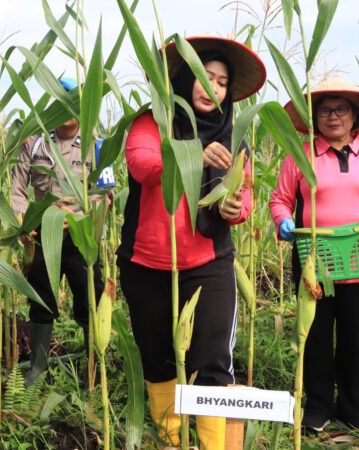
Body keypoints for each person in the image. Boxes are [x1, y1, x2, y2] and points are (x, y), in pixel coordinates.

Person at [116, 36, 265, 449]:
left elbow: (245, 196)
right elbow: (143, 165)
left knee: (212, 359)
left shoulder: (234, 137)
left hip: (209, 263)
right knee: (158, 356)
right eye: (204, 76)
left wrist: (235, 208)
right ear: (184, 79)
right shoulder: (152, 124)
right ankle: (170, 438)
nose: (212, 87)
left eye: (221, 82)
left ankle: (213, 444)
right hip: (146, 264)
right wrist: (193, 153)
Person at [270, 77, 359, 433]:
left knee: (354, 337)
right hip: (314, 261)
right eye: (325, 110)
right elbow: (280, 199)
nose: (332, 116)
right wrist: (283, 221)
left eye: (340, 109)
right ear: (315, 118)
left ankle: (352, 406)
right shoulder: (300, 155)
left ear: (354, 115)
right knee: (315, 334)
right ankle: (318, 406)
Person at [11, 77, 110, 386]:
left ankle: (94, 368)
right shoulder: (34, 143)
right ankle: (37, 368)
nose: (67, 109)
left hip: (83, 239)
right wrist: (21, 221)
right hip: (44, 236)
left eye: (74, 102)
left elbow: (106, 195)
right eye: (60, 100)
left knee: (89, 301)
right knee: (41, 301)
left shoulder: (99, 146)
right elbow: (17, 189)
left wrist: (81, 218)